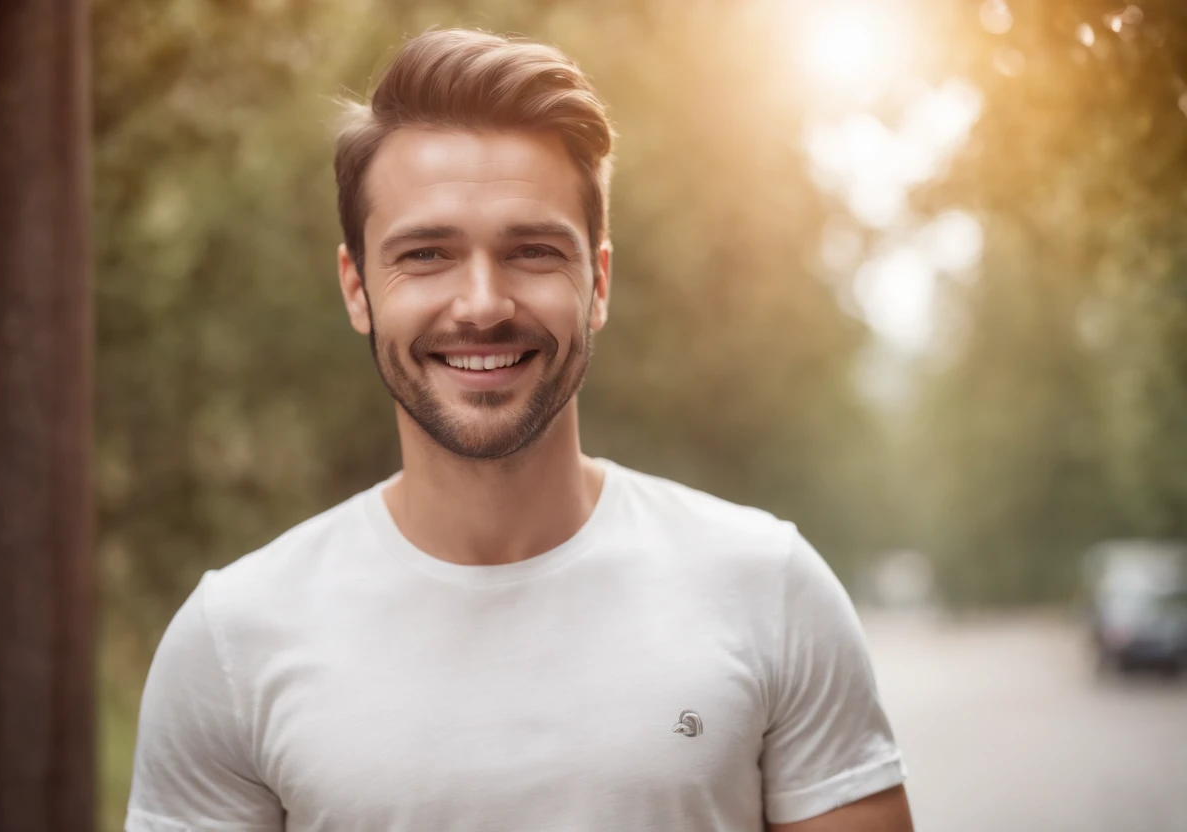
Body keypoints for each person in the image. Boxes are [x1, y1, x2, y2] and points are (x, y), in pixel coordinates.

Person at [126, 28, 913, 832]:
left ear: (597, 282)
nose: (482, 305)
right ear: (356, 288)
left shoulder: (768, 588)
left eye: (532, 251)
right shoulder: (232, 641)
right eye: (427, 254)